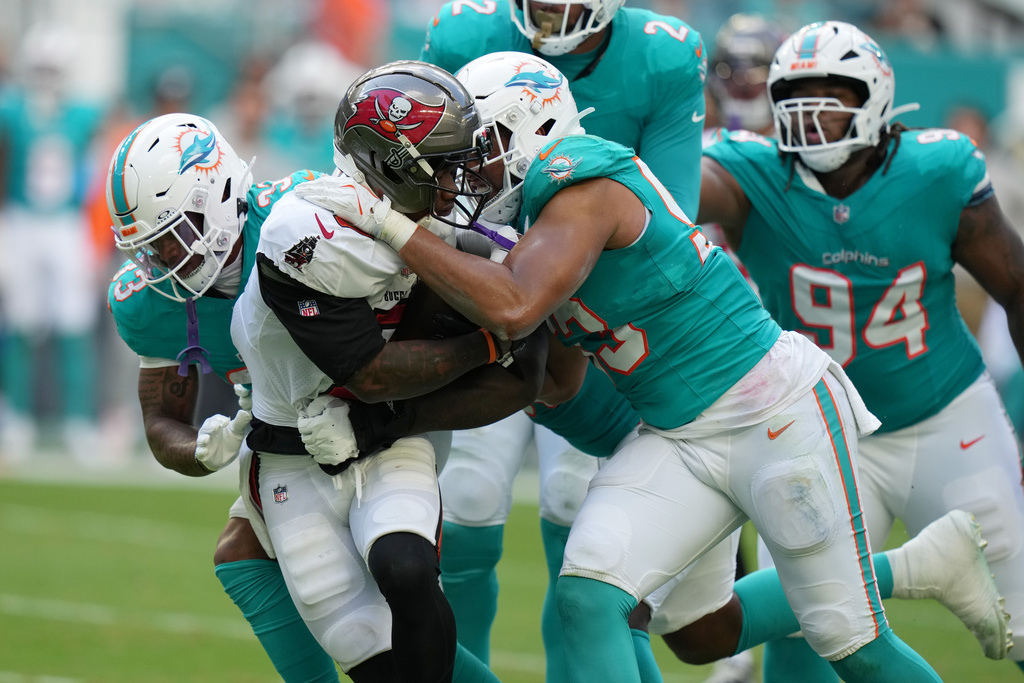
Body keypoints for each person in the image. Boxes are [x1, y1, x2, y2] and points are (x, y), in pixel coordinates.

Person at [297, 50, 954, 683]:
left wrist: (391, 227)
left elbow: (518, 304)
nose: (467, 171)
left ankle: (915, 569)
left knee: (855, 647)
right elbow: (555, 383)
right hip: (678, 433)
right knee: (599, 598)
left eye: (482, 148)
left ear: (535, 129)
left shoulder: (580, 178)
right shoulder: (533, 225)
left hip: (771, 409)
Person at [696, 19, 1024, 679]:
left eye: (831, 94)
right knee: (802, 629)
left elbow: (1016, 285)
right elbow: (666, 194)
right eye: (796, 95)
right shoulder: (751, 172)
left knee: (1022, 614)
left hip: (945, 419)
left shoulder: (938, 169)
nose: (811, 113)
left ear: (874, 95)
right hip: (822, 428)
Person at [230, 60, 549, 683]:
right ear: (390, 166)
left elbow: (529, 361)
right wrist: (488, 343)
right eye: (446, 162)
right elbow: (369, 373)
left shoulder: (453, 230)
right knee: (360, 641)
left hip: (390, 433)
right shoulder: (306, 235)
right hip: (292, 446)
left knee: (405, 566)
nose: (466, 179)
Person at [421, 2, 706, 675]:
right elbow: (422, 182)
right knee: (465, 497)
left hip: (590, 296)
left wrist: (542, 274)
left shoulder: (661, 55)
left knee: (579, 505)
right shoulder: (464, 32)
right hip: (483, 282)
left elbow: (670, 209)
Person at [106, 113, 344, 682]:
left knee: (378, 608)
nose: (161, 263)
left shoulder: (305, 217)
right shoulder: (152, 304)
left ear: (218, 198)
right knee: (243, 556)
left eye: (169, 238)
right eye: (148, 249)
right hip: (291, 433)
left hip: (383, 410)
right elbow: (162, 418)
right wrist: (198, 448)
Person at [0, 22, 106, 463]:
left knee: (74, 324)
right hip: (22, 220)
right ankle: (16, 417)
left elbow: (97, 175)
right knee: (20, 321)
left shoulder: (83, 113)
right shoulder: (12, 109)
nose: (45, 76)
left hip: (66, 224)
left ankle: (79, 420)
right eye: (40, 67)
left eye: (52, 67)